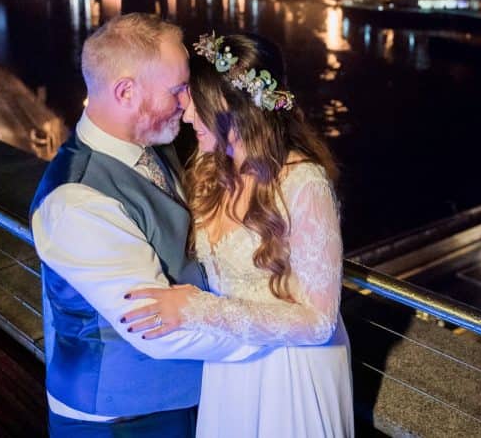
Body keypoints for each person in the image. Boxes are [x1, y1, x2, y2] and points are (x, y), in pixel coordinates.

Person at [30, 14, 263, 437]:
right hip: (121, 420)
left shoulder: (153, 142)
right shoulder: (75, 201)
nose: (187, 102)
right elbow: (156, 329)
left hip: (172, 403)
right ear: (126, 91)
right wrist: (274, 335)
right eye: (177, 90)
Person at [122, 32, 354, 437]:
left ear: (231, 108)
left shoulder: (303, 184)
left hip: (291, 371)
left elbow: (318, 322)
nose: (187, 115)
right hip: (230, 364)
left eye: (194, 101)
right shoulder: (209, 172)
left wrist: (196, 310)